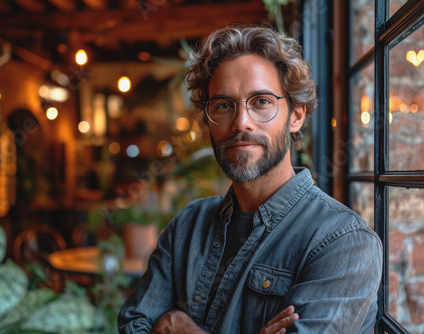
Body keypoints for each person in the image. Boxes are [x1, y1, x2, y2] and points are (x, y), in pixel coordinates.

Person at [118, 25, 382, 334]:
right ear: (208, 122)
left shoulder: (343, 242)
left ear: (296, 115)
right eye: (223, 105)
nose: (241, 122)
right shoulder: (188, 225)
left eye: (261, 101)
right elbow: (133, 326)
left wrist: (176, 325)